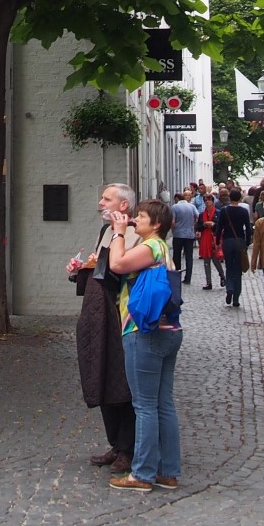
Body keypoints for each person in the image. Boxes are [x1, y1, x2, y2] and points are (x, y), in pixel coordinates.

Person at [106, 196, 182, 492]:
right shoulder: (162, 247)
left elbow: (117, 264)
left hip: (143, 331)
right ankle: (167, 471)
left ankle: (142, 474)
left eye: (141, 216)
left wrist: (118, 233)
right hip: (168, 330)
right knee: (163, 403)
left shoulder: (151, 246)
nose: (135, 219)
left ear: (157, 224)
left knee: (145, 406)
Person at [70, 184, 138, 473]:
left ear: (123, 205)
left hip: (123, 315)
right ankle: (116, 444)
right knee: (102, 375)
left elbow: (124, 269)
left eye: (106, 199)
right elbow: (99, 269)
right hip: (99, 316)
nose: (100, 203)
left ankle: (129, 448)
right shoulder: (105, 231)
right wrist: (80, 270)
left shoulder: (135, 233)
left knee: (124, 382)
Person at [214, 186, 252, 308]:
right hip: (239, 240)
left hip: (227, 241)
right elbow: (248, 228)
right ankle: (236, 298)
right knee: (238, 270)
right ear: (240, 198)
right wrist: (247, 242)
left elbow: (219, 227)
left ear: (230, 198)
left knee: (229, 267)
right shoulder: (244, 211)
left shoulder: (224, 211)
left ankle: (229, 288)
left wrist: (217, 241)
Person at [197, 189, 225, 291]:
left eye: (209, 200)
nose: (207, 202)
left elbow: (220, 226)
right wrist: (204, 225)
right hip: (205, 239)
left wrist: (213, 225)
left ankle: (222, 276)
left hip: (214, 238)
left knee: (216, 260)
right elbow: (198, 226)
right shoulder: (202, 214)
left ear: (212, 201)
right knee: (206, 261)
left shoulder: (218, 213)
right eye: (205, 200)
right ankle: (208, 282)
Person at [170, 190, 199, 284]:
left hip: (178, 234)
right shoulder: (192, 206)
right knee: (189, 257)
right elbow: (197, 216)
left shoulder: (175, 207)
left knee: (176, 256)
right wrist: (193, 224)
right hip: (189, 235)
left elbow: (173, 221)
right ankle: (188, 278)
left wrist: (173, 230)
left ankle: (177, 275)